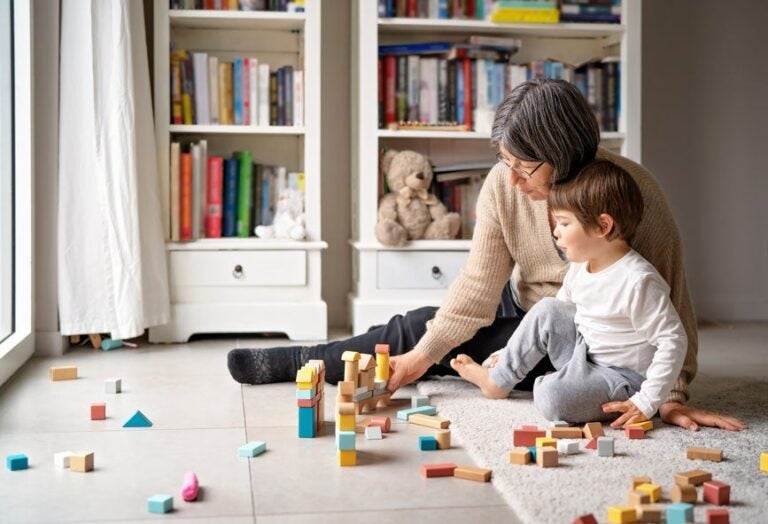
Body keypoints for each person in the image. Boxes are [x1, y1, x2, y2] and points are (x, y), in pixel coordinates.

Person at [227, 78, 746, 432]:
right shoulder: (504, 182)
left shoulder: (635, 195)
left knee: (494, 360)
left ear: (564, 157)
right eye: (505, 162)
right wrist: (421, 356)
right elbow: (478, 285)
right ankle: (304, 361)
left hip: (592, 341)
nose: (512, 179)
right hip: (530, 308)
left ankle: (472, 369)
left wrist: (669, 397)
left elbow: (673, 309)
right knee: (418, 329)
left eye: (525, 167)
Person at [450, 160, 686, 426]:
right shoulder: (580, 267)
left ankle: (562, 384)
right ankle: (498, 381)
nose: (555, 232)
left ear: (602, 226)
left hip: (623, 379)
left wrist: (647, 401)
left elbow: (673, 340)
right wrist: (505, 355)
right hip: (584, 355)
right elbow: (553, 318)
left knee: (551, 397)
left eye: (563, 223)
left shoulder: (638, 281)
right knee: (548, 308)